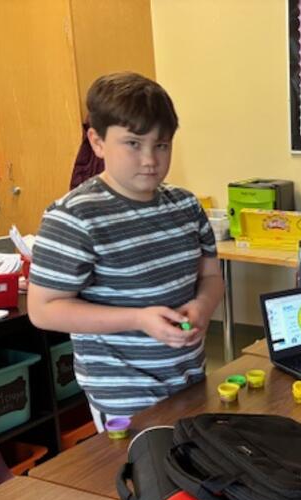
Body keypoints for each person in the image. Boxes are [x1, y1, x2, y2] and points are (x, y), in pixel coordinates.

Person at [28, 72, 223, 431]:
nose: (150, 159)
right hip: (124, 398)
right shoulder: (74, 216)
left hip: (190, 380)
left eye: (161, 145)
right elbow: (43, 310)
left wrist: (202, 307)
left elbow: (210, 277)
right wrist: (138, 319)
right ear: (97, 141)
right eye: (133, 143)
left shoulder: (185, 205)